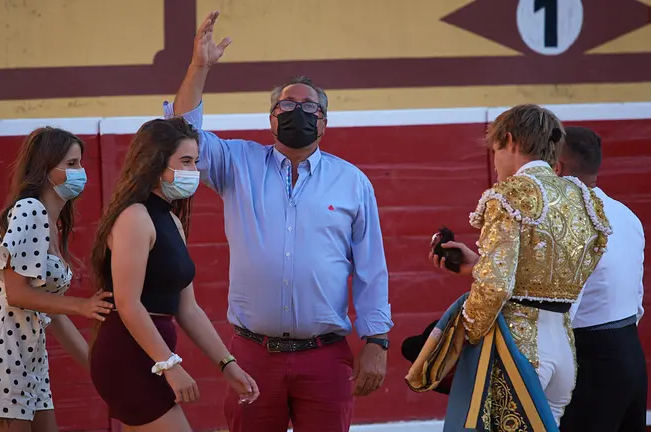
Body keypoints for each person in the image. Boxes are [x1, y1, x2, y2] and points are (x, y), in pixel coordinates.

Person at [167, 11, 393, 432]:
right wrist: (199, 68)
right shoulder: (237, 163)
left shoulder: (352, 182)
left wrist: (377, 341)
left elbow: (371, 269)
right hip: (252, 354)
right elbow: (181, 132)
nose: (298, 111)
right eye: (286, 104)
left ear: (324, 123)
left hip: (325, 356)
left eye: (310, 106)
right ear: (271, 118)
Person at [408, 104, 612, 430]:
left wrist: (465, 338)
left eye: (495, 149)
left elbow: (496, 286)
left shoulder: (510, 195)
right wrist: (479, 266)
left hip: (519, 347)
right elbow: (558, 268)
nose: (495, 160)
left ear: (511, 141)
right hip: (563, 345)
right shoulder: (582, 197)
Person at [89, 116, 259, 432]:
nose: (194, 171)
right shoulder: (135, 217)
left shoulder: (173, 221)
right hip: (129, 358)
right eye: (185, 161)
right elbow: (128, 304)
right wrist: (169, 365)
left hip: (152, 359)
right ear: (155, 163)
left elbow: (188, 309)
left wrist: (227, 365)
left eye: (195, 161)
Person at [0, 127, 115, 432]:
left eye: (80, 164)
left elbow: (52, 312)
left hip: (30, 362)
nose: (80, 172)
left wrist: (98, 373)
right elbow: (16, 294)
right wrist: (83, 306)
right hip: (2, 360)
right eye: (71, 164)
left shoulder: (50, 222)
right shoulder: (29, 210)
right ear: (45, 169)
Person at [554, 126, 647, 432]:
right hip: (631, 353)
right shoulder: (626, 214)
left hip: (591, 361)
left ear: (557, 167)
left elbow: (563, 310)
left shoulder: (569, 221)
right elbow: (638, 301)